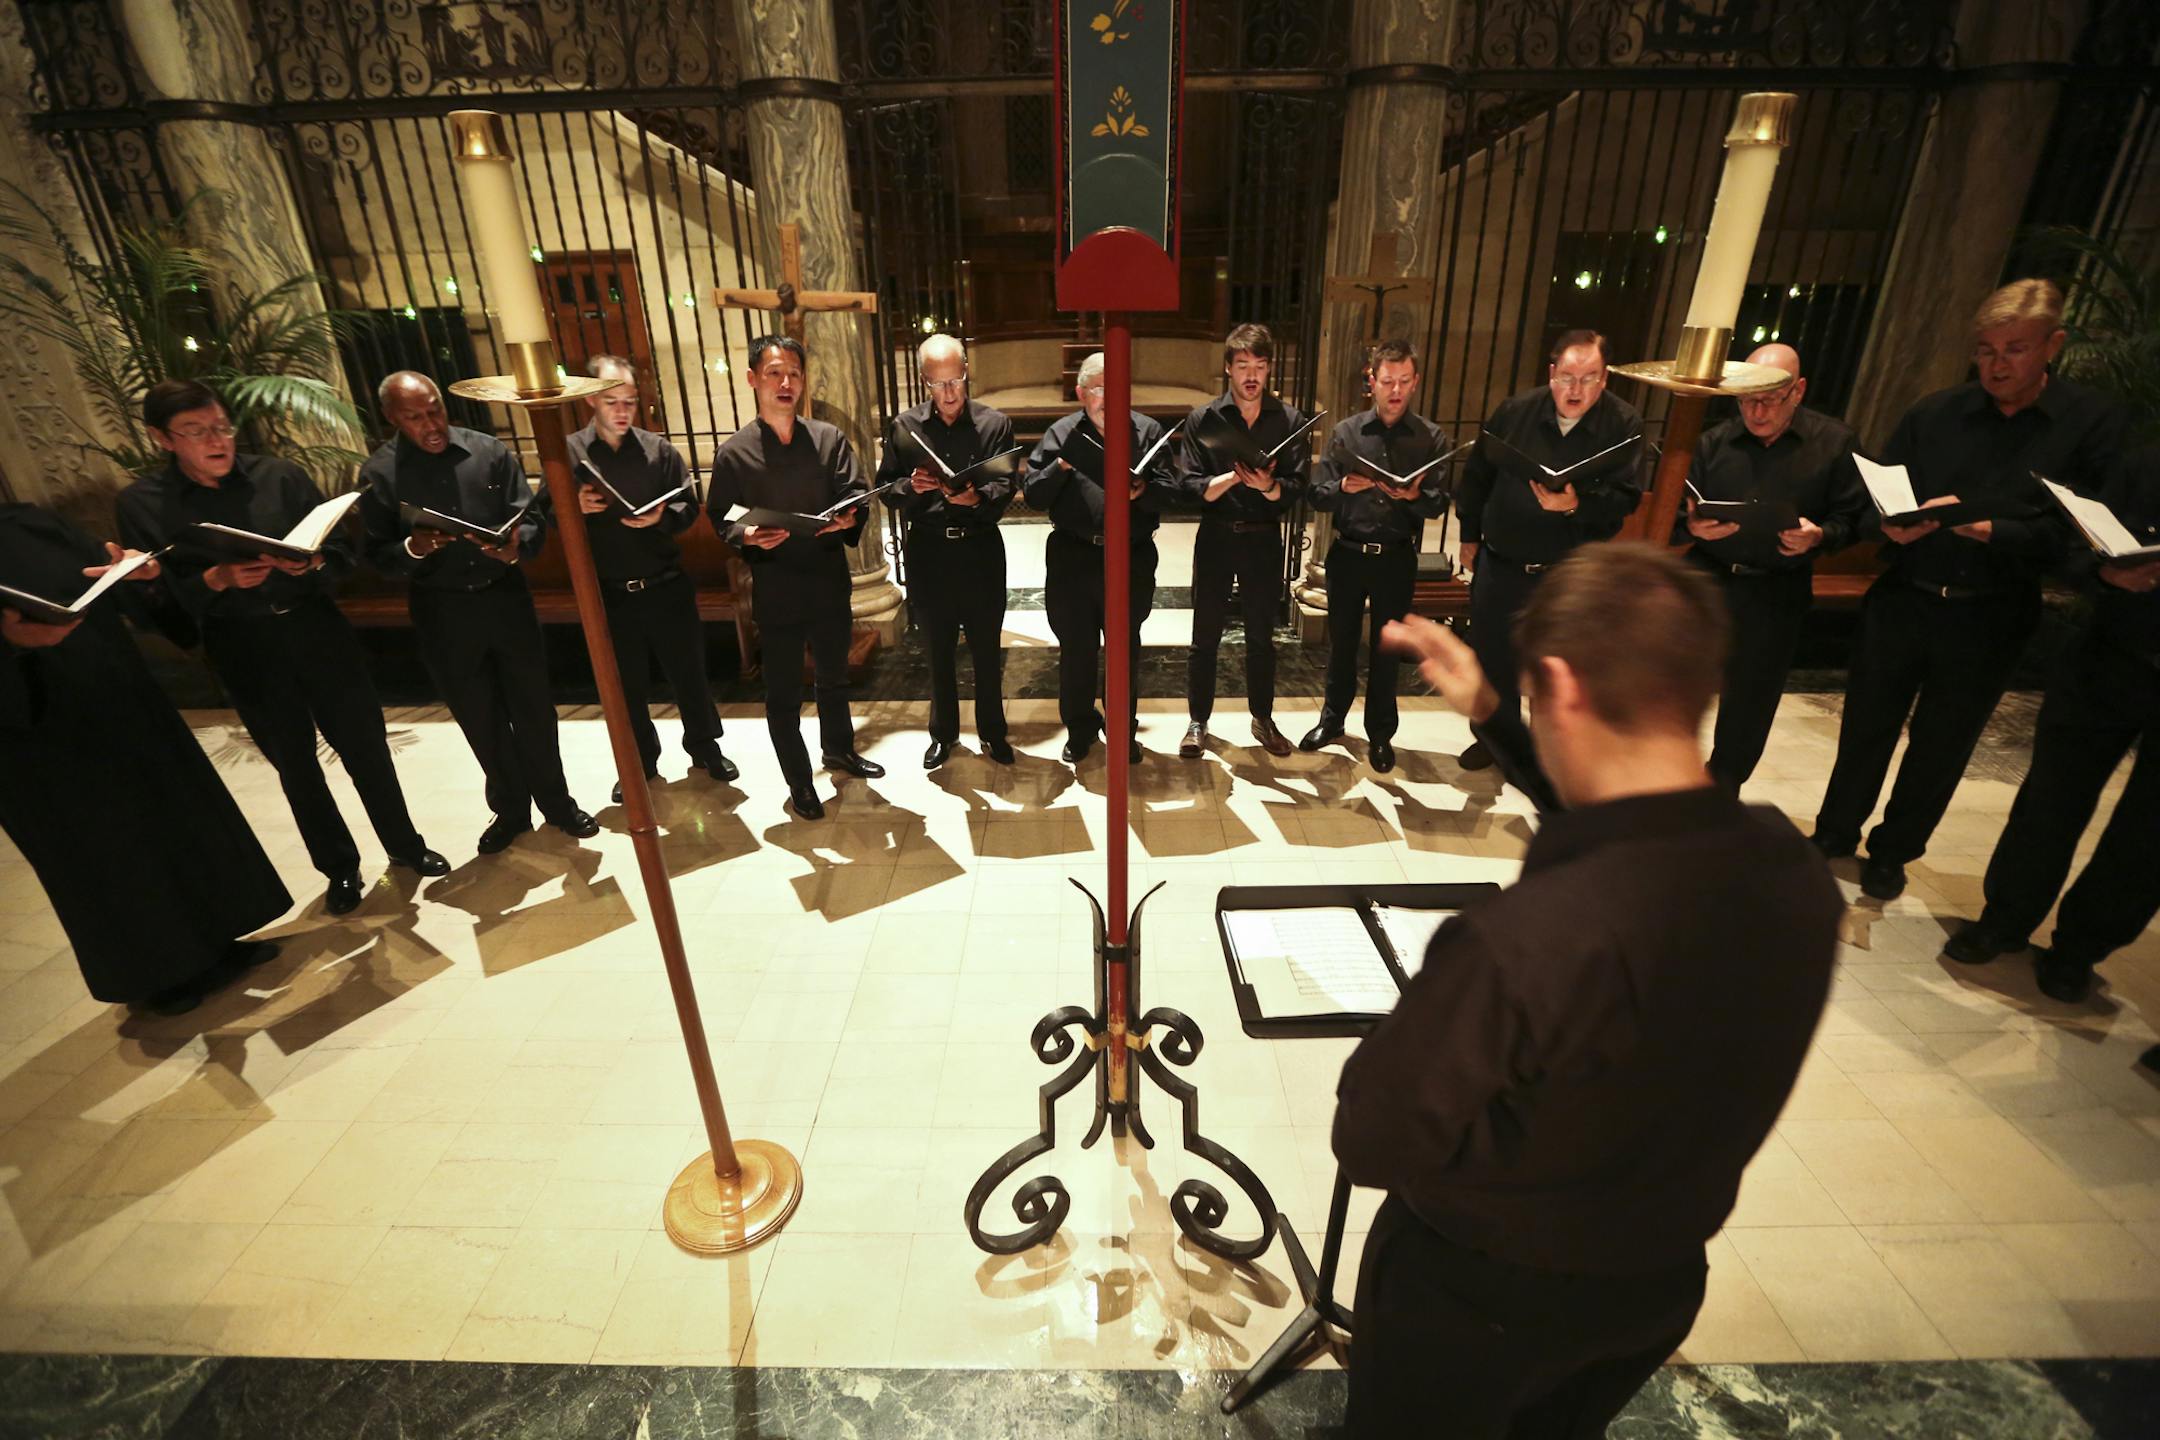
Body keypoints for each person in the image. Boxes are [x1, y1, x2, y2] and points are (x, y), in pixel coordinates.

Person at [1336, 542, 1841, 1439]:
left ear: (1562, 687)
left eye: (1537, 698)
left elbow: (1372, 1141)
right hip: (1655, 1284)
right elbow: (1638, 834)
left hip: (1474, 1302)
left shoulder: (1522, 941)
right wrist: (1494, 709)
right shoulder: (1794, 874)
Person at [1812, 280, 2128, 900]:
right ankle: (1834, 832)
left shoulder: (2088, 425)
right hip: (1907, 593)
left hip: (1992, 610)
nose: (1997, 364)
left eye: (2014, 349)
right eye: (1985, 350)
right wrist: (1891, 525)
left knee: (1943, 743)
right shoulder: (1935, 412)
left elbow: (2082, 530)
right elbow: (1888, 491)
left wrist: (1993, 529)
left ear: (2052, 346)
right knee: (1866, 726)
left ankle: (1893, 851)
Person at [116, 379, 448, 915]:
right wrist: (217, 580)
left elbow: (341, 552)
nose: (215, 440)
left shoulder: (279, 476)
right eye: (196, 432)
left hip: (316, 631)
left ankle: (406, 846)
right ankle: (340, 869)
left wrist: (313, 562)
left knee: (366, 748)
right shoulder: (144, 504)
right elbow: (161, 602)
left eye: (221, 426)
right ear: (162, 439)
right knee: (296, 765)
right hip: (244, 647)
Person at [1, 505, 290, 1015]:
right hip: (35, 735)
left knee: (169, 818)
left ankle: (216, 941)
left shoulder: (31, 522)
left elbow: (106, 579)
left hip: (117, 695)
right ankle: (161, 971)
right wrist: (14, 646)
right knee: (105, 853)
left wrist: (137, 573)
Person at [1944, 445, 2160, 1001]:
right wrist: (2107, 573)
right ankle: (2004, 921)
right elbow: (2072, 545)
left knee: (2148, 832)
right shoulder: (2143, 462)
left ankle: (2080, 950)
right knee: (2051, 799)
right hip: (2110, 653)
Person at [358, 371, 598, 853]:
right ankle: (510, 811)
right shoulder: (380, 473)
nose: (431, 425)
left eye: (435, 411)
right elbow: (375, 555)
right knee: (478, 715)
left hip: (504, 595)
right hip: (442, 608)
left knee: (533, 707)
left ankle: (557, 802)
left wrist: (516, 546)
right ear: (391, 418)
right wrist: (415, 545)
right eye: (415, 417)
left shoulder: (487, 451)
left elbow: (529, 517)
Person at [1452, 329, 1644, 788]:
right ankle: (1495, 740)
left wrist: (1576, 506)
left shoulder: (1622, 425)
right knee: (1493, 659)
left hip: (1567, 575)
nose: (1575, 390)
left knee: (1552, 670)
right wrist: (1469, 534)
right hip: (1502, 562)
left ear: (1605, 380)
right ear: (1552, 372)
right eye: (1567, 377)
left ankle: (1543, 751)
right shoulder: (1516, 411)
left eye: (1589, 378)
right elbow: (1478, 475)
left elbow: (1626, 499)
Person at [706, 334, 885, 820]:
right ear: (752, 380)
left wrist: (851, 516)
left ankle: (839, 750)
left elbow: (853, 490)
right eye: (774, 373)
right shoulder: (735, 454)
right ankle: (800, 781)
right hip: (776, 584)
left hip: (827, 578)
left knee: (833, 679)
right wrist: (747, 536)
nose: (786, 383)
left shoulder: (827, 438)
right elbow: (722, 515)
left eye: (795, 374)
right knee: (783, 694)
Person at [1676, 343, 1868, 792]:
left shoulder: (1835, 443)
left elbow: (1855, 520)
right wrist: (1694, 528)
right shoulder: (1714, 442)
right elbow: (1678, 515)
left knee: (1750, 703)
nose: (1756, 410)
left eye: (1770, 398)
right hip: (1709, 582)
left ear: (1797, 391)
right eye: (1746, 398)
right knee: (1677, 689)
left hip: (1775, 590)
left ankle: (1720, 789)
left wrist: (1820, 535)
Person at [551, 353, 736, 803]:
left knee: (688, 672)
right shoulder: (570, 453)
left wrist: (662, 515)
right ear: (590, 401)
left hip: (665, 581)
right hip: (609, 592)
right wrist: (571, 507)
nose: (621, 410)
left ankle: (704, 747)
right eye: (611, 401)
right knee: (623, 681)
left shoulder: (659, 451)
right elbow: (544, 515)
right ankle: (640, 761)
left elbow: (689, 506)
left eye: (629, 402)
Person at [1301, 338, 1450, 773]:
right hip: (1348, 554)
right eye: (1388, 381)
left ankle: (1381, 735)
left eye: (1405, 381)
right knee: (1342, 644)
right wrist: (1342, 487)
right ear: (1373, 381)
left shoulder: (1429, 437)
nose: (1396, 390)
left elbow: (1439, 503)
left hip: (1396, 557)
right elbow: (1317, 494)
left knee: (1388, 650)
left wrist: (1416, 495)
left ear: (1415, 381)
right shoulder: (1347, 434)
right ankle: (1332, 722)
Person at [1023, 350, 1176, 765]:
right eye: (1099, 389)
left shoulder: (1147, 432)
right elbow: (1034, 495)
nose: (1109, 398)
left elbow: (1174, 491)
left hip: (1131, 555)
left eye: (1118, 387)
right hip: (1075, 556)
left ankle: (1123, 732)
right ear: (1080, 393)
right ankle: (1079, 729)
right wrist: (1062, 466)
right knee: (1076, 647)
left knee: (1124, 647)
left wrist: (1143, 491)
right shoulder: (1061, 434)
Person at [877, 333, 1017, 771]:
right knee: (937, 647)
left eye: (955, 380)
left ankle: (993, 733)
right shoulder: (905, 427)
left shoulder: (994, 424)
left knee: (985, 647)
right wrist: (909, 487)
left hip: (979, 549)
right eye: (939, 384)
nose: (949, 392)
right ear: (925, 382)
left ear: (966, 372)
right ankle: (944, 735)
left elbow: (1005, 485)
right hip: (930, 550)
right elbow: (887, 488)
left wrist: (976, 499)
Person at [1174, 323, 1312, 759]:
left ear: (1269, 369)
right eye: (1243, 366)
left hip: (1263, 539)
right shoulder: (1205, 420)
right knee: (1205, 636)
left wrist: (1268, 486)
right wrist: (1236, 476)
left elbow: (1296, 488)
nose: (1251, 375)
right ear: (1228, 369)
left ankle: (1263, 718)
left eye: (1260, 366)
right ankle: (1198, 722)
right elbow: (1190, 486)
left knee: (1260, 637)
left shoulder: (1287, 421)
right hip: (1216, 535)